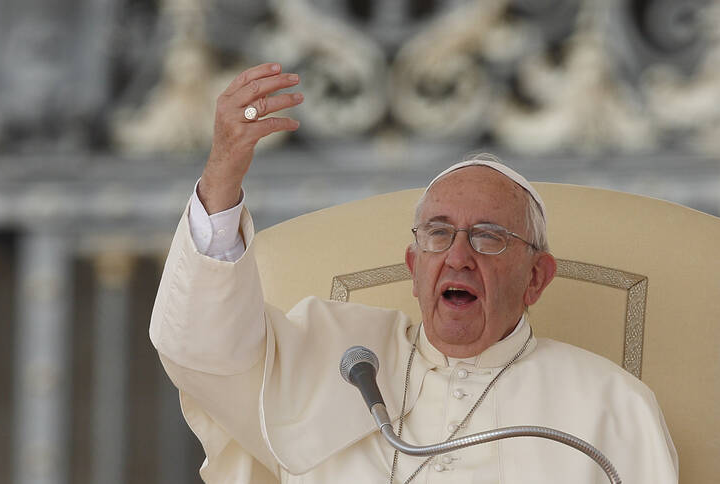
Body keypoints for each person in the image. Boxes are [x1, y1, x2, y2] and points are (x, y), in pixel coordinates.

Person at [150, 63, 678, 483]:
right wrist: (222, 172)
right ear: (413, 267)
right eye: (438, 234)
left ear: (537, 278)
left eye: (489, 237)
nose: (458, 256)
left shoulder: (612, 406)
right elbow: (202, 350)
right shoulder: (334, 358)